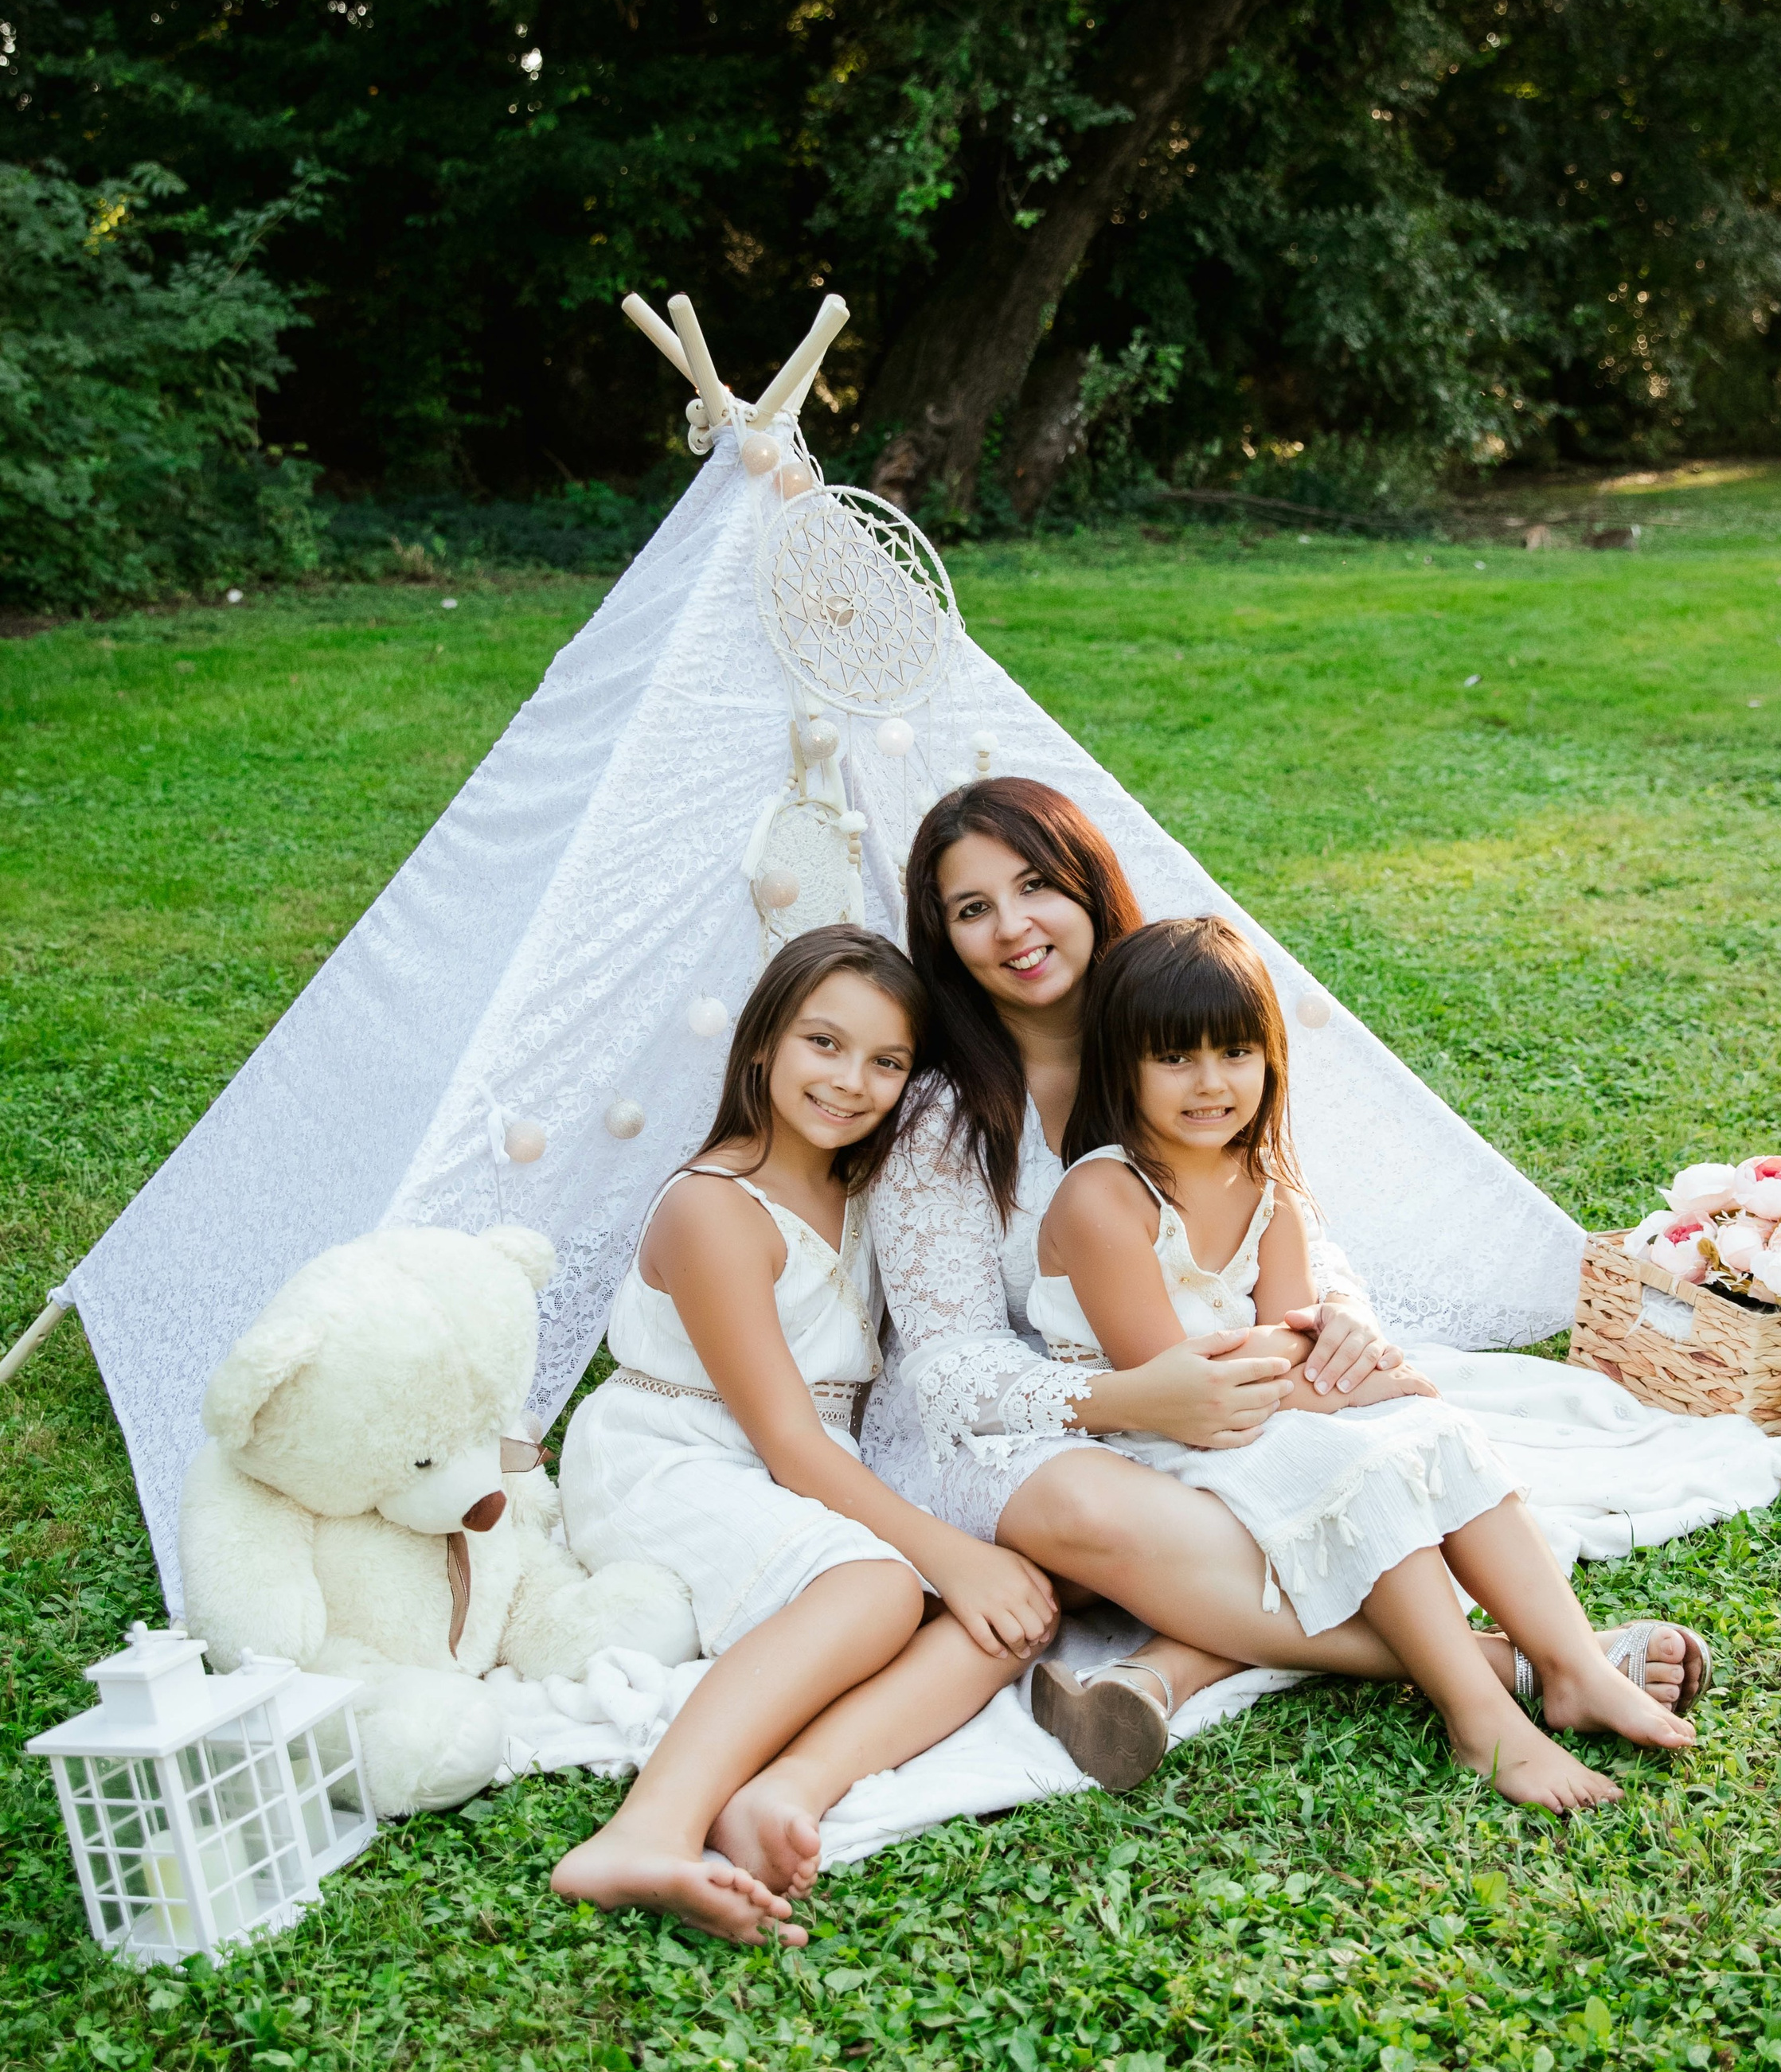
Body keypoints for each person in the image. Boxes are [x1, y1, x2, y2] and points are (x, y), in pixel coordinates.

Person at [859, 777, 1709, 1792]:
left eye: (1035, 885)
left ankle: (1181, 1664)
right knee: (1151, 1501)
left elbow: (1282, 1232)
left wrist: (1335, 1324)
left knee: (1368, 1458)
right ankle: (1510, 1668)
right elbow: (948, 1365)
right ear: (943, 939)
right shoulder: (944, 1119)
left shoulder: (1180, 1036)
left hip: (1220, 1390)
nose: (1013, 927)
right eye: (972, 908)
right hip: (1027, 1426)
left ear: (1087, 886)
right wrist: (1134, 1397)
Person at [1032, 913, 1694, 1812]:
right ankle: (1481, 1721)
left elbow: (1304, 1352)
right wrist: (1334, 1374)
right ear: (1123, 1066)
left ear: (1270, 1060)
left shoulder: (1268, 1189)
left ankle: (1573, 1664)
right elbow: (1175, 1384)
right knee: (1359, 1459)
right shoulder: (1102, 1195)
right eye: (1175, 1057)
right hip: (1149, 1443)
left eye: (1234, 1053)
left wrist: (1342, 1378)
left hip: (1251, 1419)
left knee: (1432, 1426)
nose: (1210, 1082)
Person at [551, 924, 1058, 1941]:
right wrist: (942, 1553)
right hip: (673, 1454)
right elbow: (788, 1440)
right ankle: (645, 1830)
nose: (850, 1082)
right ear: (762, 1044)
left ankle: (782, 1789)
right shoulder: (714, 1209)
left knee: (1011, 1605)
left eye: (887, 1062)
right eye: (823, 1043)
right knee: (885, 1586)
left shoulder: (867, 1191)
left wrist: (967, 1557)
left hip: (802, 1466)